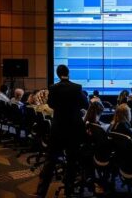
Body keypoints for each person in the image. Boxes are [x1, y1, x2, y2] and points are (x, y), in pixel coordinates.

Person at [35, 65, 89, 197]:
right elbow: (86, 104)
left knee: (50, 161)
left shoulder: (53, 88)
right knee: (72, 161)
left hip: (58, 128)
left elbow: (52, 105)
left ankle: (41, 192)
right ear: (68, 73)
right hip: (74, 130)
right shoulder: (77, 87)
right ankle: (69, 192)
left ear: (58, 74)